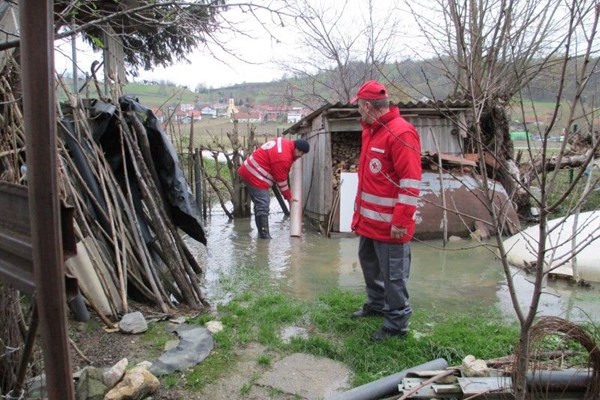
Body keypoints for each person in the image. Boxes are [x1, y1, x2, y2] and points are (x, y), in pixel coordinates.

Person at [350, 80, 422, 341]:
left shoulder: (401, 133)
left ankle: (397, 324)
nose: (358, 110)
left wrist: (401, 221)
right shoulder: (371, 130)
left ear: (368, 106)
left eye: (359, 105)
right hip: (369, 223)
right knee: (369, 265)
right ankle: (377, 305)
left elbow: (411, 181)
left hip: (392, 225)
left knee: (394, 276)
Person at [238, 137, 310, 239]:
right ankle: (264, 237)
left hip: (249, 168)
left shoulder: (285, 142)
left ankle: (261, 234)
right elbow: (281, 181)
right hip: (254, 174)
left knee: (260, 205)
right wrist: (289, 197)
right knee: (263, 203)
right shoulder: (284, 158)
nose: (300, 157)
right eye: (301, 154)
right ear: (297, 149)